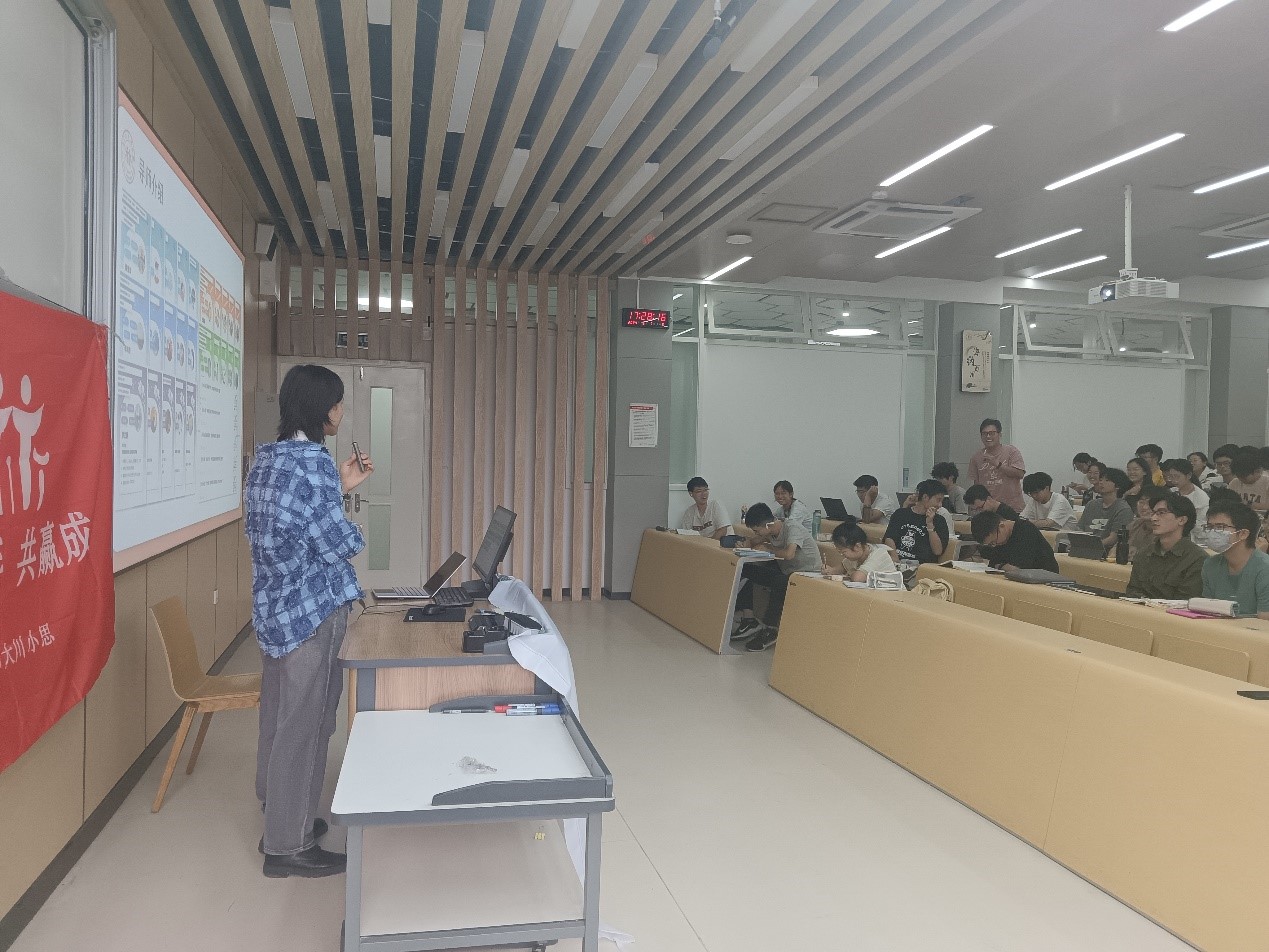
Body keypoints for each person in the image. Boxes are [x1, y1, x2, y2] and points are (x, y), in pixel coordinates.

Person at [245, 364, 372, 878]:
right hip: (312, 615)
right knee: (308, 725)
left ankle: (282, 814)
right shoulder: (313, 464)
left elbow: (289, 526)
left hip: (274, 612)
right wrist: (354, 527)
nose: (340, 412)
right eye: (337, 403)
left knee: (278, 720)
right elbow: (338, 543)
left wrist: (338, 484)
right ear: (322, 409)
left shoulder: (266, 460)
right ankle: (287, 845)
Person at [731, 503, 821, 651]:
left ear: (767, 525)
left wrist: (768, 549)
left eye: (757, 530)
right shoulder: (769, 531)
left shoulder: (792, 528)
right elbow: (753, 541)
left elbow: (789, 554)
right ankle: (749, 619)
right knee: (745, 569)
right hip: (788, 572)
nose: (756, 533)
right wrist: (745, 544)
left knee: (779, 582)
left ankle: (771, 629)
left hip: (808, 575)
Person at [1125, 494, 1204, 599]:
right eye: (1154, 513)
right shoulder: (1144, 553)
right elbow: (1133, 590)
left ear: (1181, 520)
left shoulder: (1197, 559)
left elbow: (1186, 601)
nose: (1153, 518)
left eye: (1161, 513)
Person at [1200, 501, 1269, 618]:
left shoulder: (1265, 568)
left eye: (1220, 527)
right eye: (1209, 527)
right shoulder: (1210, 565)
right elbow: (1207, 611)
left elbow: (1265, 620)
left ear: (1243, 533)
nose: (1212, 532)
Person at [883, 479, 949, 564]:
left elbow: (938, 551)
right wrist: (895, 558)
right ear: (925, 497)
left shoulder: (939, 520)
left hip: (921, 565)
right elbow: (889, 538)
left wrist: (930, 525)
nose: (940, 505)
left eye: (941, 501)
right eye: (938, 500)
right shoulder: (900, 514)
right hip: (897, 561)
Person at [970, 510, 1059, 572]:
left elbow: (1018, 569)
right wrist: (1001, 566)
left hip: (1046, 581)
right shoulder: (1001, 539)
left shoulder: (1025, 530)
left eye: (993, 542)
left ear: (1001, 526)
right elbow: (994, 562)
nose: (994, 545)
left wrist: (1000, 565)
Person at [967, 418, 1026, 511]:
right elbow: (977, 485)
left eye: (992, 433)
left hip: (1012, 508)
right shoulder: (976, 457)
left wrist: (997, 464)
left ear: (1000, 434)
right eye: (984, 433)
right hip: (989, 509)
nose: (988, 436)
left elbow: (1020, 473)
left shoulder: (1011, 451)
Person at [1076, 466, 1134, 552]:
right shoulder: (1091, 504)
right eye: (1100, 480)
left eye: (1106, 480)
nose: (1101, 483)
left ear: (1117, 486)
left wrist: (1092, 546)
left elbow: (1113, 538)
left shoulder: (1123, 509)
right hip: (1083, 548)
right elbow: (1080, 529)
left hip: (1106, 551)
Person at [827, 518, 897, 581]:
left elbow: (858, 578)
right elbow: (843, 567)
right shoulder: (857, 555)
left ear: (857, 546)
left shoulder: (879, 554)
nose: (842, 555)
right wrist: (830, 570)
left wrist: (851, 572)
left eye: (843, 552)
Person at [1163, 458, 1209, 527]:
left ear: (1189, 476)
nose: (1174, 480)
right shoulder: (1171, 491)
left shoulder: (1201, 497)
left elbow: (1202, 524)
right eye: (1171, 477)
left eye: (1177, 476)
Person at [1127, 487, 1168, 561]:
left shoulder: (1167, 530)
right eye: (1141, 502)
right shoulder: (1134, 524)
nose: (1144, 507)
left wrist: (1138, 554)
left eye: (1149, 503)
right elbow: (1116, 548)